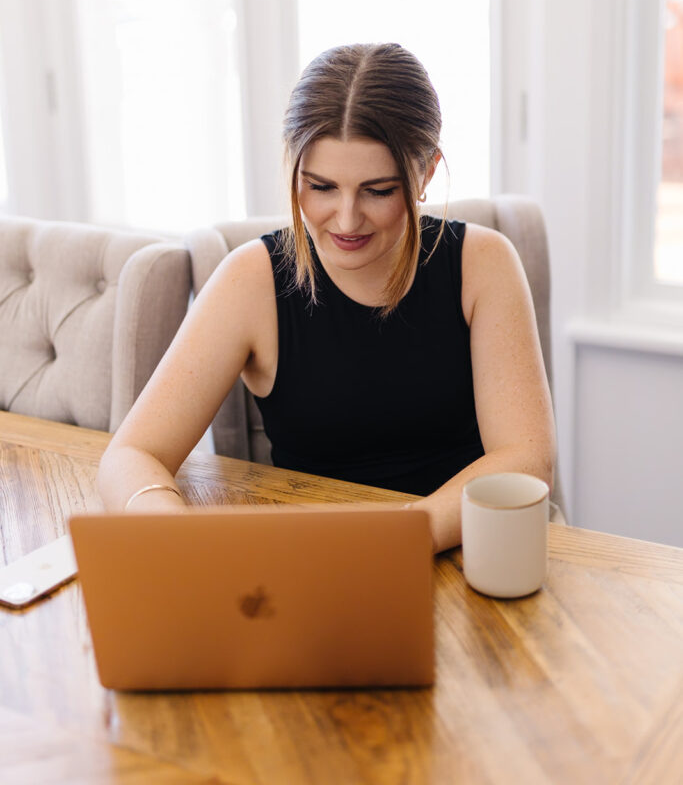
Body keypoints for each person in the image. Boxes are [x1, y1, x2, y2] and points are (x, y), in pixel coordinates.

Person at [97, 42, 556, 553]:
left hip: (471, 549)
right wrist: (172, 531)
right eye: (320, 187)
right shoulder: (250, 280)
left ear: (425, 173)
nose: (345, 219)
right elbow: (131, 454)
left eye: (378, 190)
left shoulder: (482, 262)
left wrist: (395, 538)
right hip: (317, 564)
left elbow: (526, 458)